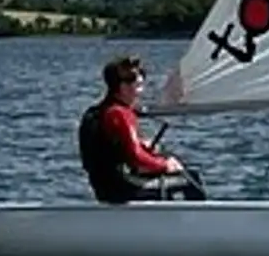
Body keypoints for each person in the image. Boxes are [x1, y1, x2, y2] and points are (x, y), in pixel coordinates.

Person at [78, 55, 207, 203]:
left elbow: (115, 150)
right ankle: (196, 223)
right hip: (124, 188)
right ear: (122, 87)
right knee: (191, 181)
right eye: (137, 85)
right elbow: (137, 158)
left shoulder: (99, 112)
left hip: (106, 189)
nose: (140, 90)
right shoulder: (119, 113)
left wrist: (142, 145)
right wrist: (166, 165)